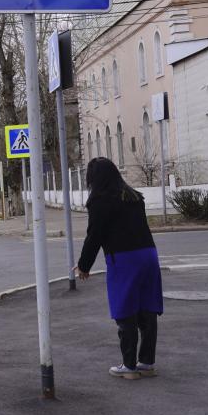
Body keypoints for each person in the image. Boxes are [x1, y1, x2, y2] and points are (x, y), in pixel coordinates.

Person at [73, 158, 163, 380]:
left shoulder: (100, 201)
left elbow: (95, 236)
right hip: (149, 255)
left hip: (124, 259)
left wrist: (84, 265)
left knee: (125, 309)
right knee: (147, 308)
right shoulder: (134, 196)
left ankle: (129, 366)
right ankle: (147, 363)